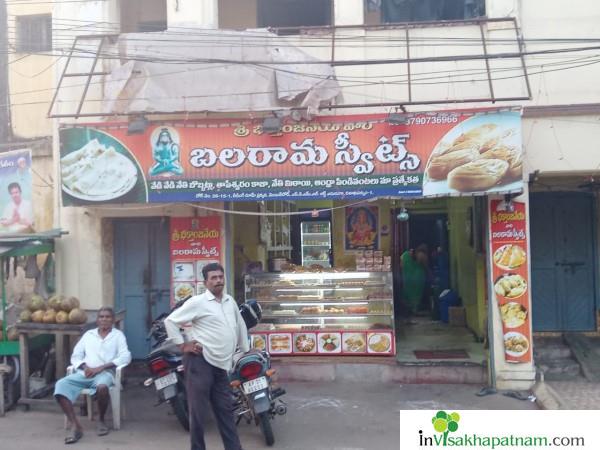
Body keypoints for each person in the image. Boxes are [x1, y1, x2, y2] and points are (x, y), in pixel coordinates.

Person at [164, 262, 249, 450]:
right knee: (199, 413)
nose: (218, 281)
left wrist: (245, 348)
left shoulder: (230, 301)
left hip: (221, 364)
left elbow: (240, 324)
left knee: (225, 410)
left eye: (220, 277)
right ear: (206, 282)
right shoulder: (197, 302)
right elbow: (170, 321)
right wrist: (183, 345)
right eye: (214, 278)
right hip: (199, 362)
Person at [54, 307, 131, 444]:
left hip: (105, 374)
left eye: (107, 317)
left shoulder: (118, 335)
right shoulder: (89, 334)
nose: (104, 319)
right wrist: (85, 367)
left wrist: (101, 367)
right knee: (60, 385)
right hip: (85, 373)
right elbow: (76, 355)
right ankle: (75, 425)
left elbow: (125, 356)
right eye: (101, 317)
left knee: (102, 387)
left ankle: (101, 420)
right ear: (97, 320)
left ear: (112, 320)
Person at [400, 246, 426, 320]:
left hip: (409, 279)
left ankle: (410, 311)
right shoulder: (420, 255)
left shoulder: (405, 255)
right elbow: (424, 265)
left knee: (409, 295)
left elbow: (401, 265)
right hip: (415, 279)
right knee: (413, 295)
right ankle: (413, 310)